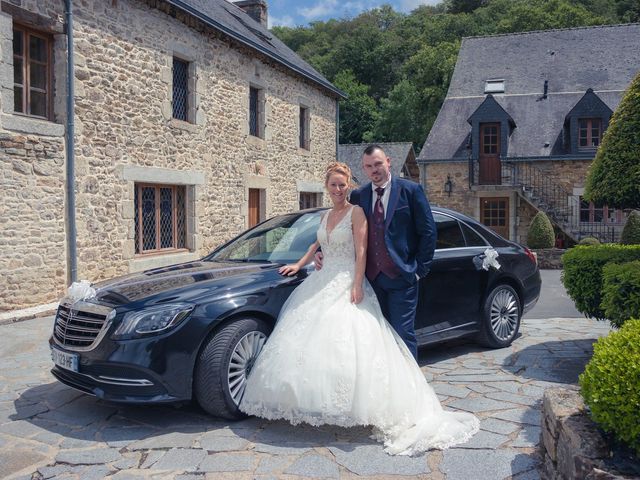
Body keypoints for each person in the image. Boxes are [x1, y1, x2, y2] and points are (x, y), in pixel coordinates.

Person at [239, 162, 479, 456]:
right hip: (322, 280)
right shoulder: (326, 214)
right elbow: (318, 242)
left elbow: (362, 250)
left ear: (349, 185)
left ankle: (361, 406)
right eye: (333, 185)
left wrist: (356, 284)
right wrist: (300, 264)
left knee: (352, 343)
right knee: (310, 342)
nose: (338, 190)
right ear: (326, 187)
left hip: (348, 281)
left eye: (342, 185)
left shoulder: (356, 212)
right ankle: (317, 403)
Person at [317, 145, 436, 359]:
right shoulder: (359, 196)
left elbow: (428, 232)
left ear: (388, 162)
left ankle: (407, 387)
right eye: (369, 166)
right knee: (374, 336)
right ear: (364, 169)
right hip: (371, 281)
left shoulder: (410, 191)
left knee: (402, 334)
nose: (375, 169)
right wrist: (320, 249)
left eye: (378, 164)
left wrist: (419, 270)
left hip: (402, 277)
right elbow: (341, 225)